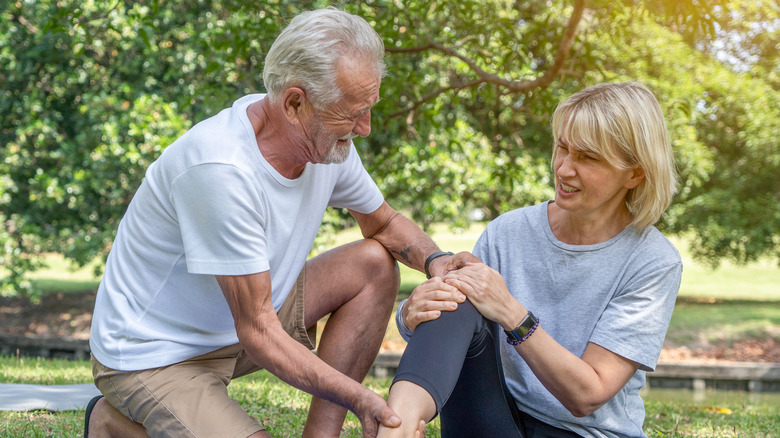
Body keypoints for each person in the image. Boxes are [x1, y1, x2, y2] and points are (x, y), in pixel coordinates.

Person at [84, 8, 475, 438]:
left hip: (246, 320)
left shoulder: (327, 139)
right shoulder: (221, 169)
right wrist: (360, 397)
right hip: (154, 354)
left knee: (374, 264)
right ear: (294, 102)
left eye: (368, 109)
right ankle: (112, 422)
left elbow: (382, 224)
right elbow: (258, 331)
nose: (364, 128)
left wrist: (437, 260)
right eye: (352, 114)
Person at [379, 82, 682, 438]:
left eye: (588, 158)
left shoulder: (652, 261)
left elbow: (588, 395)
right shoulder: (508, 231)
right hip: (495, 417)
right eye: (562, 148)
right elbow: (455, 324)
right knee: (462, 290)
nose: (565, 169)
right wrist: (409, 314)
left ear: (635, 173)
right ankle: (394, 429)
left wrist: (511, 313)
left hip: (583, 433)